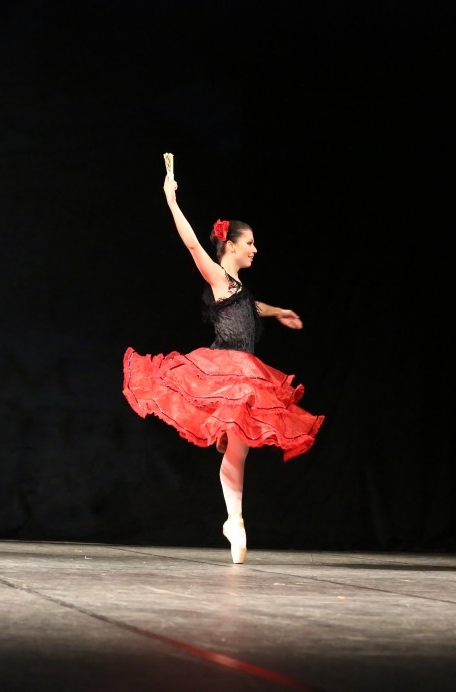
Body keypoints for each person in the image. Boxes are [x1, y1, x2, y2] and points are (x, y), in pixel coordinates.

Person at [122, 173, 325, 565]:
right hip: (225, 369)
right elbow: (192, 243)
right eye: (249, 243)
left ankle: (234, 522)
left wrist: (279, 311)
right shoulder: (218, 277)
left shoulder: (240, 289)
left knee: (240, 448)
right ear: (230, 246)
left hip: (247, 372)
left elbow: (251, 307)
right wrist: (170, 198)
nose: (255, 249)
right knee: (238, 446)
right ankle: (235, 520)